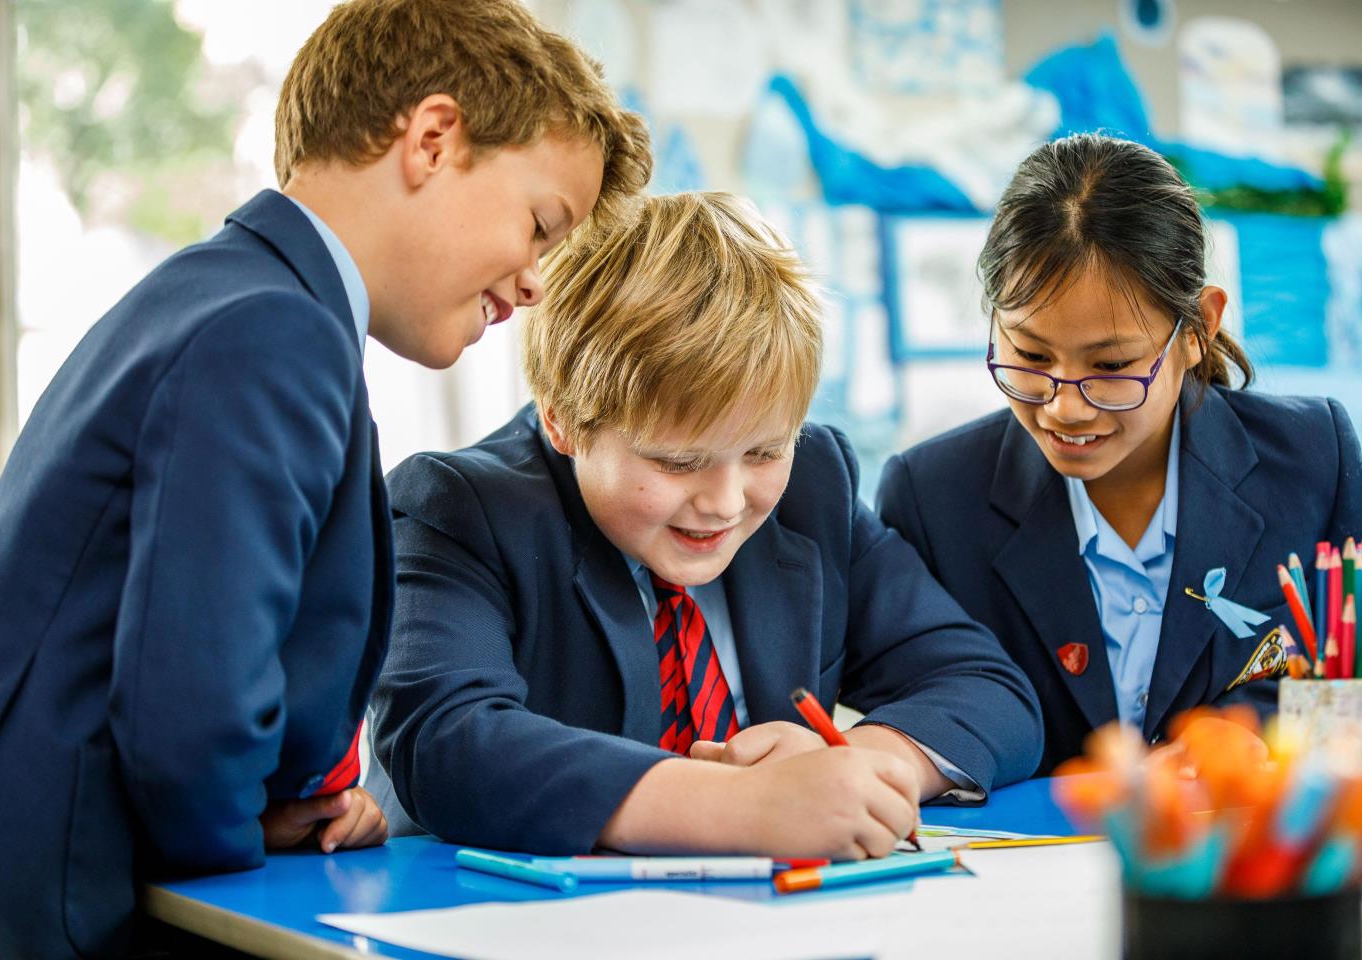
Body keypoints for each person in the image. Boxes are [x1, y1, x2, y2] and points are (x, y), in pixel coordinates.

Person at [0, 1, 650, 955]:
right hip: (70, 917)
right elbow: (190, 712)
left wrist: (254, 807)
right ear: (431, 139)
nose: (539, 279)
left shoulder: (222, 292)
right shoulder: (273, 331)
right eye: (540, 225)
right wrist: (222, 827)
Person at [366, 191, 1043, 858]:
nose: (724, 501)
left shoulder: (812, 486)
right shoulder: (461, 509)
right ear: (562, 420)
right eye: (676, 462)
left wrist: (862, 763)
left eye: (763, 451)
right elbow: (447, 742)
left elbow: (988, 688)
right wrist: (742, 807)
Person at [877, 133, 1362, 775]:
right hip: (1028, 868)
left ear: (1198, 330)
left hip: (1253, 854)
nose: (1064, 408)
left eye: (1112, 365)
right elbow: (912, 703)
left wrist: (1251, 738)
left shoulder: (1312, 460)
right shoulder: (931, 496)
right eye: (1029, 356)